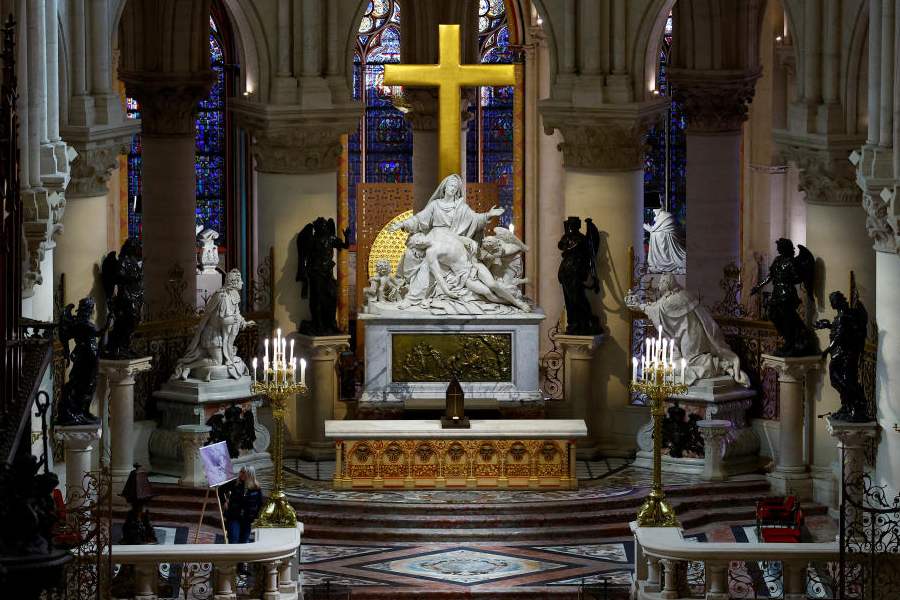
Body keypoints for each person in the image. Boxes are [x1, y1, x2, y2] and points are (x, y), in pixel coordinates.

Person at [626, 274, 750, 387]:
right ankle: (718, 365)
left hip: (692, 333)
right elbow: (656, 306)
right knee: (678, 362)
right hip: (685, 333)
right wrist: (640, 305)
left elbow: (658, 310)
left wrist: (639, 306)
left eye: (662, 282)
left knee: (691, 361)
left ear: (668, 284)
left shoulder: (677, 298)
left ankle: (721, 366)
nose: (659, 284)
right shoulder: (670, 296)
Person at [224, 467, 264, 544]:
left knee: (244, 542)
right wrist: (224, 501)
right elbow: (221, 490)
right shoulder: (235, 483)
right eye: (241, 472)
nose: (241, 474)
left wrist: (255, 516)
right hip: (234, 516)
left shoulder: (256, 487)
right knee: (233, 540)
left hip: (247, 518)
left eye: (244, 472)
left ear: (250, 474)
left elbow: (260, 503)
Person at [644, 208, 686, 273]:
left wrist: (644, 225)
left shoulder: (663, 216)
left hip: (667, 237)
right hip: (669, 236)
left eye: (654, 210)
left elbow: (652, 229)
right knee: (655, 234)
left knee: (655, 234)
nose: (654, 212)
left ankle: (662, 263)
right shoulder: (665, 217)